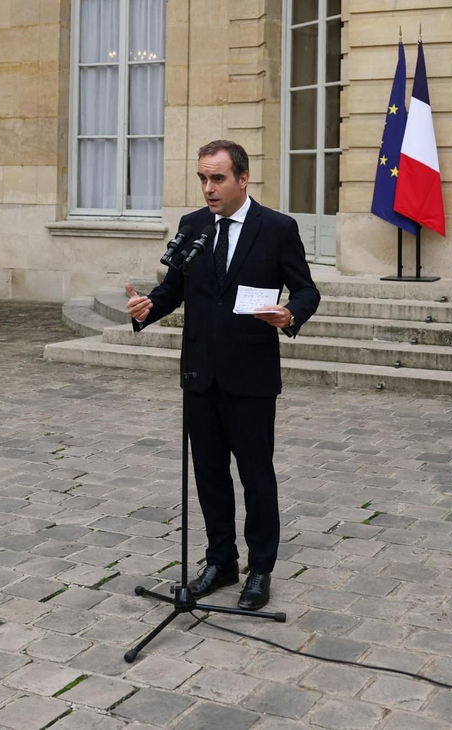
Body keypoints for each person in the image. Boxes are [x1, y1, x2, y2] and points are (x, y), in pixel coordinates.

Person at [124, 139, 321, 611]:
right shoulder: (193, 226)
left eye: (217, 179)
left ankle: (261, 569)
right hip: (199, 374)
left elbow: (307, 290)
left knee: (256, 476)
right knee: (208, 473)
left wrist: (290, 313)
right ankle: (220, 561)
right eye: (202, 179)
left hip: (250, 375)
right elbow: (175, 288)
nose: (208, 188)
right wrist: (148, 306)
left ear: (243, 179)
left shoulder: (276, 228)